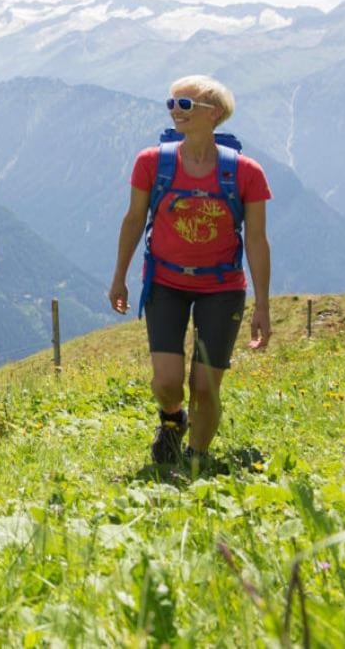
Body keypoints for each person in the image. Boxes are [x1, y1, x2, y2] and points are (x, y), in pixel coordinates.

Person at [109, 76, 272, 467]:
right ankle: (171, 420)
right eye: (171, 103)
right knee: (166, 382)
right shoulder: (151, 163)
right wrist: (120, 276)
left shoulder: (247, 173)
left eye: (185, 104)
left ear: (213, 114)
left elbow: (257, 240)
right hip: (166, 282)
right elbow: (133, 220)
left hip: (222, 287)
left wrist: (262, 305)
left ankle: (194, 461)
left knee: (205, 387)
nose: (174, 111)